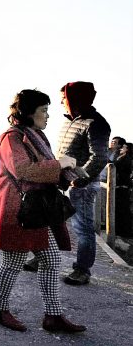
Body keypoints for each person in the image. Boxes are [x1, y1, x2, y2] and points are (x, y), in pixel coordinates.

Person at [0, 89, 85, 333]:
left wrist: (73, 173)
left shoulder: (36, 135)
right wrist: (60, 163)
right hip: (18, 207)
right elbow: (23, 170)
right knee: (14, 260)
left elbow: (46, 169)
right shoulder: (10, 136)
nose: (47, 115)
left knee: (51, 259)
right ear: (28, 112)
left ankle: (53, 316)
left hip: (36, 208)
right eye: (43, 110)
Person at [57, 81, 111, 286]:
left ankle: (82, 270)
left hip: (82, 186)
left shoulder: (96, 123)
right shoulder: (70, 121)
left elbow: (99, 157)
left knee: (83, 229)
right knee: (51, 221)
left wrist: (80, 179)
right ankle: (43, 258)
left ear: (75, 99)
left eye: (65, 98)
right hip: (62, 182)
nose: (62, 102)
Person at [114, 141, 132, 237]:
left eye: (123, 147)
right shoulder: (122, 158)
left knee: (123, 210)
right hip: (121, 187)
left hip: (122, 187)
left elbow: (115, 166)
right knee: (122, 210)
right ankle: (122, 231)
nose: (121, 148)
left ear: (127, 150)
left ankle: (124, 232)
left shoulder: (125, 159)